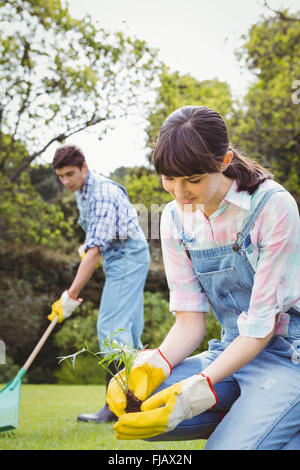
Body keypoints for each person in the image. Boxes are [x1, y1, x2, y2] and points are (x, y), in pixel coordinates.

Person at [107, 106, 300, 449]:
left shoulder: (272, 207)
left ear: (224, 161)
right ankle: (256, 419)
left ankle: (267, 423)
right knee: (134, 407)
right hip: (229, 351)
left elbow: (260, 328)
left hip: (288, 358)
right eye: (169, 179)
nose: (180, 194)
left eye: (193, 180)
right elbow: (189, 322)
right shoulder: (174, 219)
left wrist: (201, 384)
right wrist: (157, 364)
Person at [48, 145, 150, 423]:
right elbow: (95, 240)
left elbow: (95, 252)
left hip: (128, 257)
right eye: (60, 176)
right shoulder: (83, 192)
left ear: (84, 167)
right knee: (129, 331)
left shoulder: (102, 194)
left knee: (111, 328)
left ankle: (114, 407)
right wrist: (88, 246)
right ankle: (137, 402)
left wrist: (71, 295)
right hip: (122, 256)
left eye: (70, 173)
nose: (66, 181)